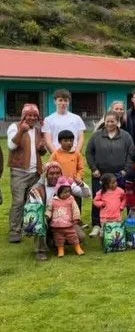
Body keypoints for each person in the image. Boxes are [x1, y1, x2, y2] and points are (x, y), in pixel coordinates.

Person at [29, 162, 91, 261]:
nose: (55, 176)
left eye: (57, 173)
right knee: (39, 223)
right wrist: (44, 218)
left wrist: (81, 183)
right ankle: (40, 251)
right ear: (46, 174)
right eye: (51, 173)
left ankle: (54, 241)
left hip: (66, 220)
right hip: (47, 219)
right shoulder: (37, 189)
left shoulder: (66, 185)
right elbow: (34, 209)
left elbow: (87, 195)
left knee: (81, 237)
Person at [86, 111, 134, 237]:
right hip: (100, 175)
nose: (109, 123)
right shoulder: (96, 136)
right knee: (99, 199)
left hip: (119, 175)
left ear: (117, 122)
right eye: (107, 121)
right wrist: (93, 169)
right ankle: (97, 225)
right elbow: (89, 153)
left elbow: (131, 153)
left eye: (112, 121)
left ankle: (118, 222)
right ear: (104, 121)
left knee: (118, 199)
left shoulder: (126, 136)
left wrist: (125, 170)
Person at [8, 104, 47, 243]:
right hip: (19, 172)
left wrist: (42, 148)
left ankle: (29, 227)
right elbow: (11, 146)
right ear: (24, 115)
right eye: (29, 115)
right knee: (18, 202)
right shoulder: (14, 127)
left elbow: (42, 152)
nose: (32, 117)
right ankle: (14, 231)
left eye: (34, 115)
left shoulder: (38, 131)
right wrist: (21, 132)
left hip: (35, 172)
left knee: (32, 202)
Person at [46, 177, 84, 257]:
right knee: (58, 238)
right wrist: (47, 215)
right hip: (57, 225)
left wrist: (76, 217)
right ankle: (60, 250)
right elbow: (49, 210)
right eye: (64, 192)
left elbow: (75, 209)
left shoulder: (71, 200)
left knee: (73, 236)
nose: (67, 194)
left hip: (69, 224)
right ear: (58, 192)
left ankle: (77, 247)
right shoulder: (53, 201)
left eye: (68, 192)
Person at [42, 89, 87, 154]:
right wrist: (57, 155)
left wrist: (76, 153)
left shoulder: (77, 118)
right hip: (57, 154)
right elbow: (48, 141)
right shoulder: (48, 120)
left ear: (69, 102)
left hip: (73, 154)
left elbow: (81, 139)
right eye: (60, 100)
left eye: (66, 100)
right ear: (55, 101)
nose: (63, 103)